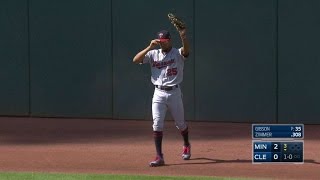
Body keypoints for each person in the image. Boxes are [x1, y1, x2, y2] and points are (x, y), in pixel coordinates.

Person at [133, 28, 191, 167]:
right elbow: (135, 60)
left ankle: (186, 143)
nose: (162, 43)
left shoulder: (177, 53)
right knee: (157, 124)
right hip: (158, 93)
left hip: (174, 92)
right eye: (160, 41)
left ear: (169, 40)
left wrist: (183, 36)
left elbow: (186, 51)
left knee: (180, 124)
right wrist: (149, 46)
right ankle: (159, 156)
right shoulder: (153, 53)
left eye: (164, 41)